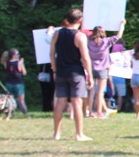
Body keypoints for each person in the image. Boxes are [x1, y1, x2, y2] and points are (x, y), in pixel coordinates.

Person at [51, 8, 94, 141]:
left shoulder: (57, 33)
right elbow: (85, 58)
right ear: (80, 20)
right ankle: (79, 134)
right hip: (76, 73)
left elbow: (51, 53)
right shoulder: (80, 36)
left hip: (61, 71)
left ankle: (56, 134)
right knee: (77, 103)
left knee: (60, 102)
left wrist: (54, 70)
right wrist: (90, 75)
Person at [87, 20, 125, 119]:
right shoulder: (106, 41)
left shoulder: (88, 41)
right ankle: (99, 112)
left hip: (91, 68)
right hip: (103, 69)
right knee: (100, 92)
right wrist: (122, 24)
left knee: (91, 91)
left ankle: (90, 111)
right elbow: (119, 36)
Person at [2, 49, 29, 116]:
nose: (18, 55)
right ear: (13, 55)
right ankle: (25, 113)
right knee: (21, 100)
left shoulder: (6, 63)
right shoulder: (19, 63)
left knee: (10, 99)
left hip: (9, 83)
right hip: (18, 83)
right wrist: (22, 63)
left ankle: (11, 113)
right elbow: (24, 73)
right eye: (17, 54)